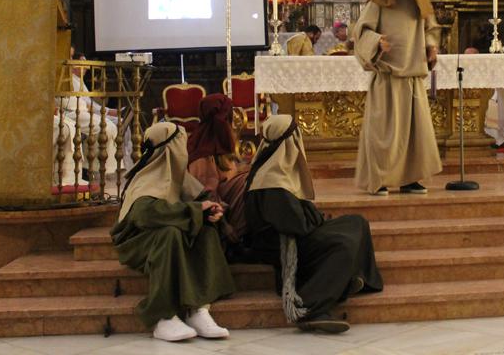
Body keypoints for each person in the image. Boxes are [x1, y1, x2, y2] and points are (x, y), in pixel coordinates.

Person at [232, 115, 383, 332]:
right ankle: (310, 307)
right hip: (281, 245)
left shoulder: (276, 171)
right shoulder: (271, 182)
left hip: (294, 233)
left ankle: (352, 279)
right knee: (341, 246)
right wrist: (317, 219)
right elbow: (296, 226)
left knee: (356, 222)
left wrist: (315, 218)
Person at [111, 122, 234, 341]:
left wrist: (211, 212)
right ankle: (163, 317)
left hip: (165, 233)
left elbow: (197, 200)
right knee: (170, 234)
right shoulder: (147, 178)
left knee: (205, 232)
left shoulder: (178, 176)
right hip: (137, 241)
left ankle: (197, 309)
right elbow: (144, 215)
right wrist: (194, 211)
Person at [352, 0, 442, 196]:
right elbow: (360, 32)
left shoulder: (419, 2)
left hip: (411, 78)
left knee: (412, 136)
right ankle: (379, 180)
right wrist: (376, 42)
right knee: (382, 134)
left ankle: (409, 179)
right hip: (387, 77)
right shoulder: (379, 2)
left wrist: (431, 47)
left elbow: (430, 29)